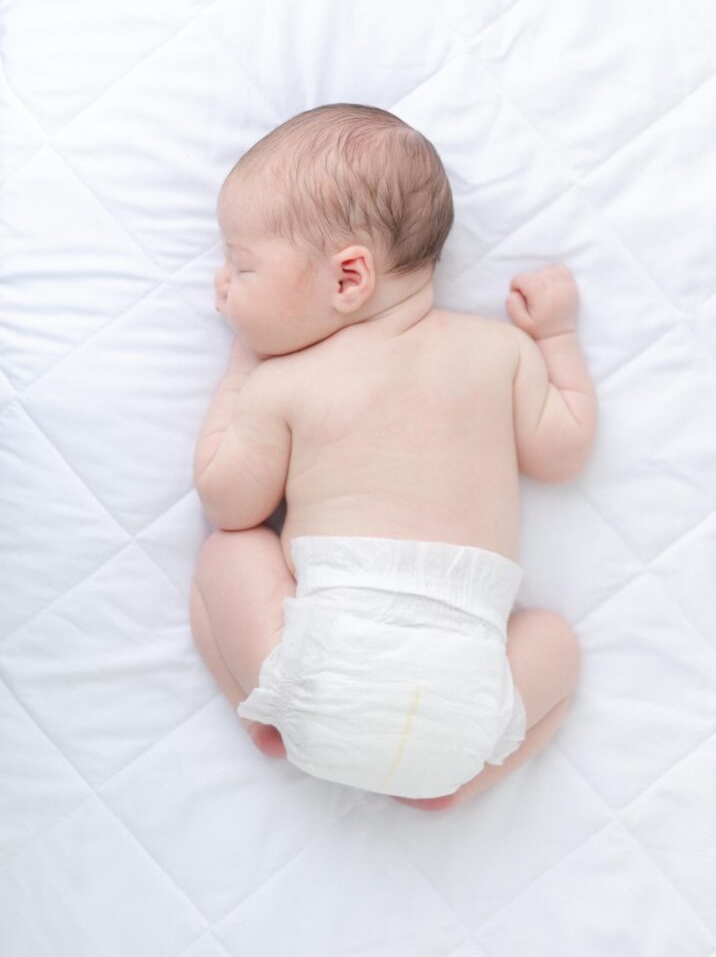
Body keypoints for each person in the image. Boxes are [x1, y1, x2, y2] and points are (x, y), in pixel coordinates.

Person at [190, 103, 597, 811]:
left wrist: (237, 377)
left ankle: (259, 710)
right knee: (556, 645)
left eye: (241, 265)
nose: (222, 285)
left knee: (223, 556)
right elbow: (562, 452)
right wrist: (558, 337)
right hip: (464, 707)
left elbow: (227, 503)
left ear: (349, 278)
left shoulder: (284, 380)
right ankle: (461, 783)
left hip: (320, 677)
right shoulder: (500, 352)